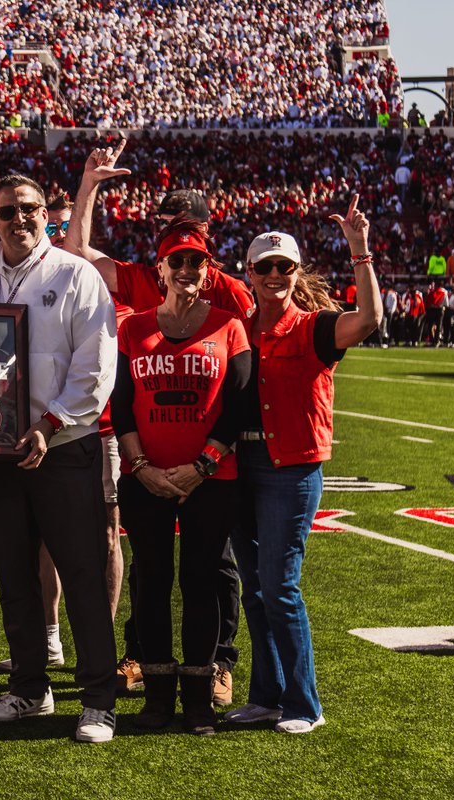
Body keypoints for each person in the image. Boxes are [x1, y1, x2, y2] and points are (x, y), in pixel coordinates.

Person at [69, 139, 252, 704]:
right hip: (149, 451)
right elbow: (77, 253)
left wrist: (213, 456)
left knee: (215, 565)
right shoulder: (145, 275)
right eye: (169, 232)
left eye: (187, 232)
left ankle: (219, 661)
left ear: (205, 236)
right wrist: (88, 185)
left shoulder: (229, 292)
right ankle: (140, 654)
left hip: (211, 454)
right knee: (151, 565)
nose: (181, 251)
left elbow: (247, 373)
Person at [0, 174, 118, 743]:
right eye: (7, 211)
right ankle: (30, 687)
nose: (19, 219)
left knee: (81, 573)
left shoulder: (77, 275)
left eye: (28, 208)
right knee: (14, 576)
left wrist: (50, 424)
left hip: (63, 447)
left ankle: (98, 699)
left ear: (46, 213)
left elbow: (95, 366)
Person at [225, 197, 380, 734]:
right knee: (254, 588)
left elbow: (370, 319)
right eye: (265, 266)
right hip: (241, 465)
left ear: (296, 272)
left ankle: (304, 704)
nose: (275, 274)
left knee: (280, 586)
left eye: (284, 266)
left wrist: (360, 250)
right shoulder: (236, 328)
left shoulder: (316, 327)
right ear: (249, 272)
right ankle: (266, 697)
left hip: (290, 469)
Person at [110, 220, 251, 736]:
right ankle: (156, 694)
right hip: (146, 478)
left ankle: (198, 698)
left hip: (212, 479)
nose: (187, 269)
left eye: (197, 261)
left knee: (200, 581)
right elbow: (121, 405)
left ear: (208, 270)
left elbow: (239, 406)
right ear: (161, 269)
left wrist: (201, 467)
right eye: (178, 260)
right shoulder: (133, 328)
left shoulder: (229, 326)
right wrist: (143, 468)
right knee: (150, 580)